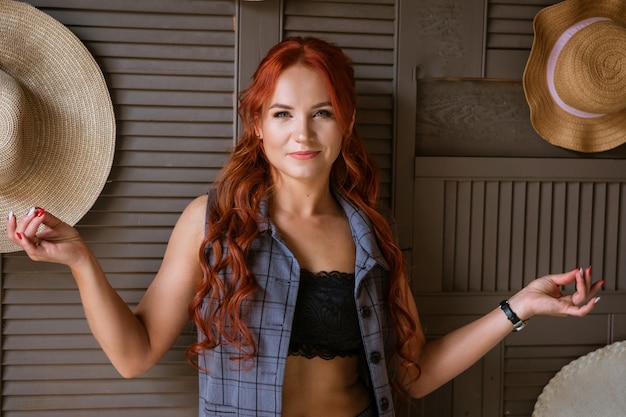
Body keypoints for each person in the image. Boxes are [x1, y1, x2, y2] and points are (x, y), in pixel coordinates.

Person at [5, 36, 603, 417]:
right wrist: (82, 261)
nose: (303, 134)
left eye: (321, 114)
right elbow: (134, 355)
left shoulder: (373, 233)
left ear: (343, 126)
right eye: (283, 114)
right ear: (258, 126)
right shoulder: (210, 222)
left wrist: (518, 307)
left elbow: (413, 376)